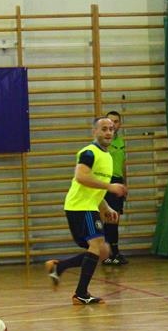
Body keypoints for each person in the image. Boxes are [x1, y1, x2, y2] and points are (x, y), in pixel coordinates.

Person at [45, 116, 127, 304]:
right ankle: (81, 293)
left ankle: (59, 267)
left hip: (89, 206)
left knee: (103, 251)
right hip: (80, 207)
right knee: (98, 245)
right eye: (104, 129)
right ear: (94, 132)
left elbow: (95, 187)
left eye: (111, 129)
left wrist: (106, 206)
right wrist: (111, 187)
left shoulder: (107, 157)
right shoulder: (89, 153)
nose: (108, 132)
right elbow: (81, 177)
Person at [103, 110, 128, 266]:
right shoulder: (102, 142)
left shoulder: (120, 141)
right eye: (110, 121)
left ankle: (113, 252)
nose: (113, 124)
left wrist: (125, 183)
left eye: (116, 121)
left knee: (115, 219)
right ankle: (110, 253)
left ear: (120, 124)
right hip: (107, 182)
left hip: (118, 181)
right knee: (110, 219)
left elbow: (123, 164)